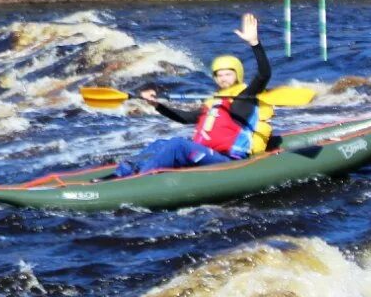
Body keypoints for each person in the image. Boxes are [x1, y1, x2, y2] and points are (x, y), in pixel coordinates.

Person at [114, 13, 273, 176]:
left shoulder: (245, 97)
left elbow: (264, 74)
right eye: (220, 75)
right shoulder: (214, 104)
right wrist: (157, 105)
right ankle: (121, 174)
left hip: (228, 160)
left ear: (237, 75)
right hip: (208, 154)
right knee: (160, 144)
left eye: (228, 74)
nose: (224, 79)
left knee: (178, 144)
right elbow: (186, 118)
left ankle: (141, 181)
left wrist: (255, 43)